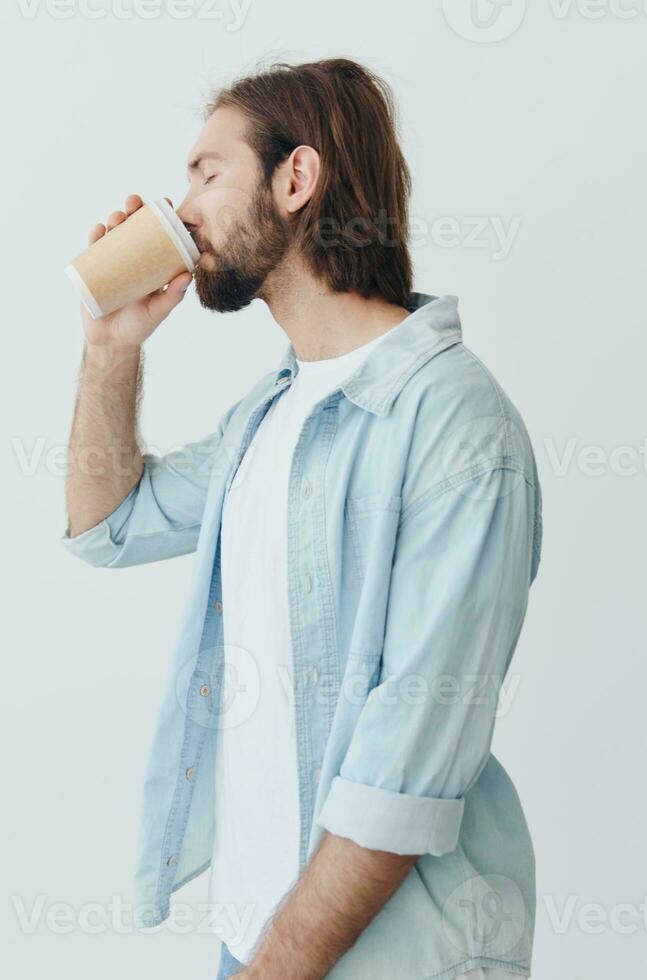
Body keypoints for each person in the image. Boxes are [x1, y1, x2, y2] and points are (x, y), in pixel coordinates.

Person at [62, 58, 542, 980]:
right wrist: (109, 349)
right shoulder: (270, 416)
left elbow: (403, 775)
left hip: (385, 959)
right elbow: (107, 524)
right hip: (261, 943)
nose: (182, 204)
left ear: (296, 179)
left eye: (208, 172)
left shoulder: (454, 425)